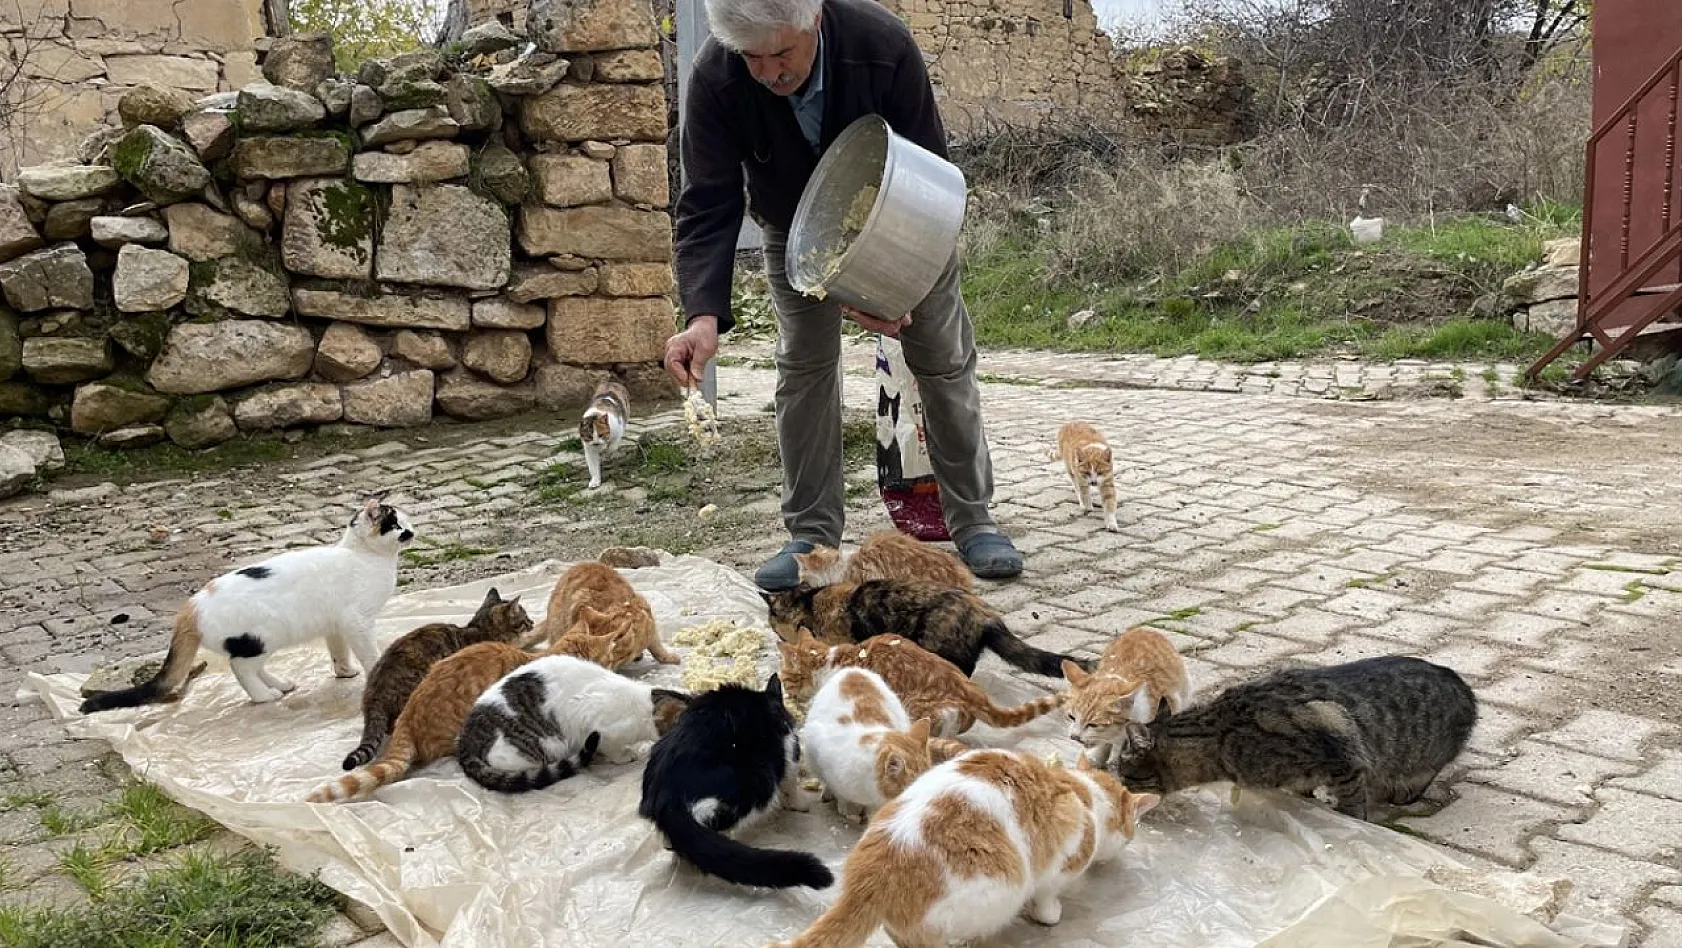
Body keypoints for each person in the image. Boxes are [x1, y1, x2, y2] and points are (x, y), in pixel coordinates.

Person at [662, 0, 1024, 590]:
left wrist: (897, 281)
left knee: (942, 358)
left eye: (782, 53)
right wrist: (702, 316)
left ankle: (974, 520)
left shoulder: (882, 45)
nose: (769, 73)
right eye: (752, 58)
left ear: (815, 21)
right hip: (793, 231)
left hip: (909, 219)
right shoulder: (715, 75)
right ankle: (812, 534)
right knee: (803, 368)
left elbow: (933, 168)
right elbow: (708, 204)